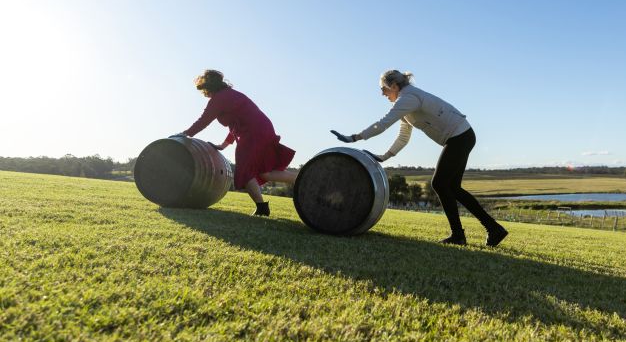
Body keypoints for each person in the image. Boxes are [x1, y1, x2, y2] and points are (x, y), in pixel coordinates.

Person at [331, 69, 508, 246]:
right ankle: (491, 230)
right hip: (461, 136)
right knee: (452, 187)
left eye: (383, 89)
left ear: (394, 86)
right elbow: (403, 137)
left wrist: (354, 137)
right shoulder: (406, 103)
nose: (382, 93)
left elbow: (383, 124)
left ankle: (463, 234)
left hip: (460, 136)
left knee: (440, 184)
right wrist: (384, 157)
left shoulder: (408, 98)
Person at [173, 70, 297, 216]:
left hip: (253, 133)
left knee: (244, 171)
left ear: (208, 87)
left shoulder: (218, 99)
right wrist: (224, 145)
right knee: (265, 172)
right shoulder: (231, 95)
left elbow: (203, 121)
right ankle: (303, 178)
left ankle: (262, 208)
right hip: (261, 129)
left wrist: (185, 134)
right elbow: (236, 124)